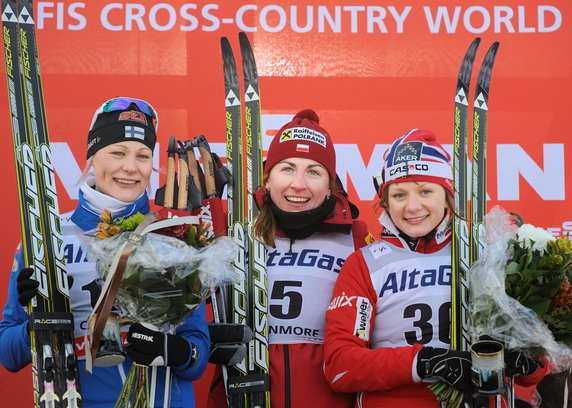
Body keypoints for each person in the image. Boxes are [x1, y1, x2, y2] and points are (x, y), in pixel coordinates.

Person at [0, 97, 210, 407]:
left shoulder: (171, 234)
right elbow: (8, 354)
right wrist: (37, 324)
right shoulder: (48, 236)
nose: (130, 167)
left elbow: (198, 355)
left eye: (142, 156)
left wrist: (174, 351)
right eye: (117, 152)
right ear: (92, 158)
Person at [323, 129, 549, 407]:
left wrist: (527, 362)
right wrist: (425, 362)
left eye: (425, 191)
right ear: (385, 201)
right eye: (399, 195)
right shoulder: (365, 263)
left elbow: (535, 373)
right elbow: (341, 366)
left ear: (447, 195)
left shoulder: (487, 254)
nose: (412, 206)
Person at [208, 109, 374, 407]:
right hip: (245, 395)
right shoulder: (236, 232)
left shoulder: (356, 238)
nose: (298, 184)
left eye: (314, 171)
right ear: (267, 178)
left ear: (329, 186)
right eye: (286, 168)